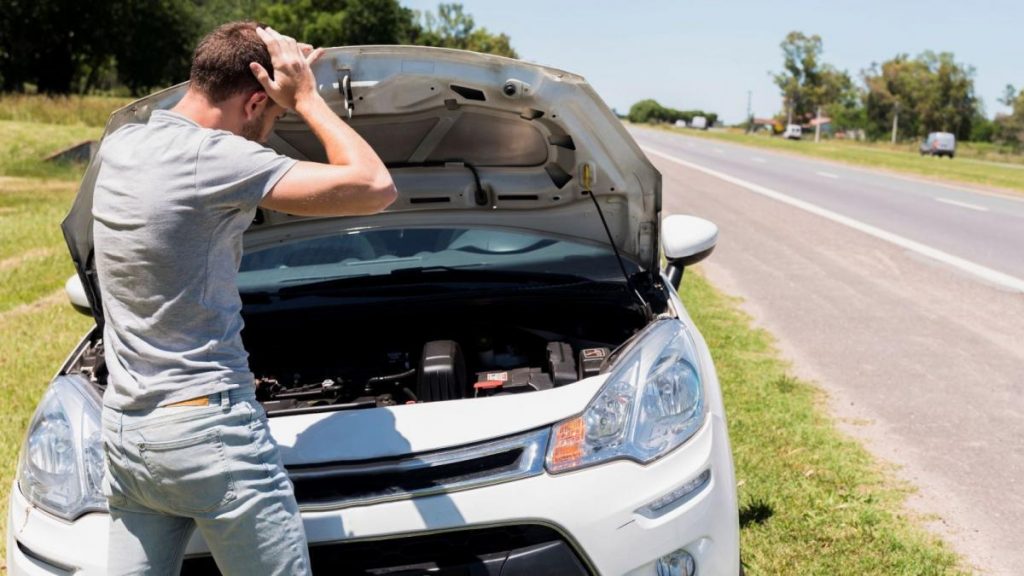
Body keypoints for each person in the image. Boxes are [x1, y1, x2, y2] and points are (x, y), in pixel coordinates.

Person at [92, 21, 396, 575]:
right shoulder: (216, 160)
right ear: (256, 98)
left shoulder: (122, 144)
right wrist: (305, 98)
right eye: (271, 115)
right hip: (209, 434)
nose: (269, 126)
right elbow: (376, 187)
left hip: (127, 433)